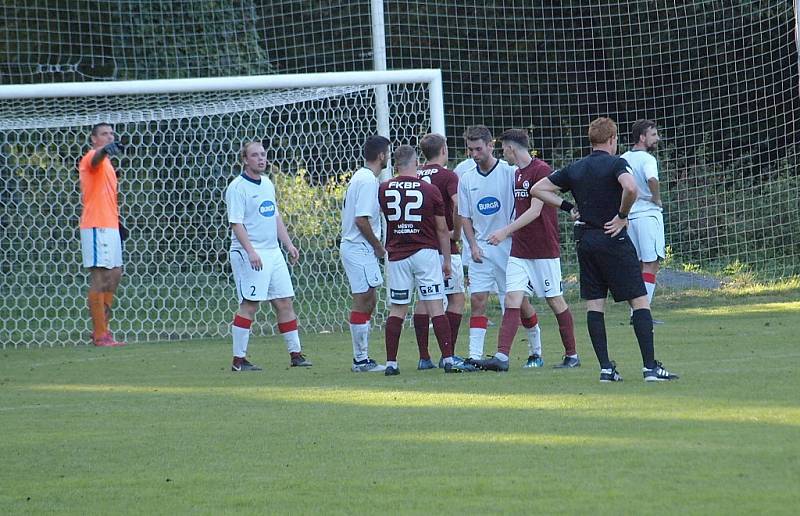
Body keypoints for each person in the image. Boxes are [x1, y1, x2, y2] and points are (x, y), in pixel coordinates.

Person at [530, 117, 678, 382]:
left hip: (586, 241)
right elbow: (630, 187)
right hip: (613, 238)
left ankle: (606, 369)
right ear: (612, 140)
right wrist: (622, 215)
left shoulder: (576, 167)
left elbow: (538, 188)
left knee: (595, 305)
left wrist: (568, 208)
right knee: (639, 300)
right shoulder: (616, 163)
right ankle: (650, 368)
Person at [475, 129, 580, 371]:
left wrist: (504, 232)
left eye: (504, 149)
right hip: (520, 249)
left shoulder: (540, 170)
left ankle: (572, 355)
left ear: (511, 148)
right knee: (513, 298)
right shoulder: (518, 174)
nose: (504, 154)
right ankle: (502, 357)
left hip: (543, 247)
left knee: (554, 299)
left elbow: (534, 211)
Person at [378, 145, 478, 375]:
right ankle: (449, 359)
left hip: (397, 255)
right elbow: (442, 229)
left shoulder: (383, 189)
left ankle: (392, 363)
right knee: (435, 307)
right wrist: (446, 259)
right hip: (425, 252)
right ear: (415, 163)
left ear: (396, 165)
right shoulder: (429, 189)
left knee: (398, 309)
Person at [225, 141, 312, 371]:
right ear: (245, 159)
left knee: (284, 302)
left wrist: (289, 244)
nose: (260, 159)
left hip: (273, 252)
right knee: (250, 305)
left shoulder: (267, 184)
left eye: (263, 155)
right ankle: (238, 360)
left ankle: (296, 355)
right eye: (255, 155)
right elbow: (236, 223)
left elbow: (274, 216)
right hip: (250, 253)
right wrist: (251, 251)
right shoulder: (237, 188)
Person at [457, 125, 541, 362]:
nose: (474, 154)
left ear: (490, 145)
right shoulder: (467, 179)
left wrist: (510, 232)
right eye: (470, 149)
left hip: (508, 246)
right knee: (477, 300)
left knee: (518, 302)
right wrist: (472, 245)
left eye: (478, 149)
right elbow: (464, 216)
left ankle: (535, 349)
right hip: (481, 248)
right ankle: (474, 356)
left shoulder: (509, 172)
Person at [413, 133, 466, 370]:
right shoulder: (448, 175)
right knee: (456, 298)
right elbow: (457, 203)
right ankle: (449, 353)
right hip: (445, 246)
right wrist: (455, 230)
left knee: (425, 300)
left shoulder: (414, 175)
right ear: (443, 149)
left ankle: (424, 357)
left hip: (419, 246)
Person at [340, 135, 390, 372]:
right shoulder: (368, 180)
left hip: (360, 249)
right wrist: (378, 247)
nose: (388, 157)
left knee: (370, 299)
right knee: (363, 300)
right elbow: (361, 220)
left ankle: (363, 357)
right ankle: (360, 360)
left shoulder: (361, 177)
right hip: (358, 247)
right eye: (387, 153)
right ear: (381, 155)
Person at [78, 123, 126, 347]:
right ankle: (99, 334)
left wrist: (118, 222)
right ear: (94, 139)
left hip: (110, 226)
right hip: (96, 225)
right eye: (104, 134)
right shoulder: (92, 157)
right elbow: (96, 158)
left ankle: (102, 328)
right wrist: (104, 151)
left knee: (115, 274)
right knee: (100, 277)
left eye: (111, 134)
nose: (109, 137)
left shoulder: (108, 164)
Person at [621, 120, 665, 321]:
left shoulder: (623, 158)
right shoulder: (648, 159)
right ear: (642, 137)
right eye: (654, 134)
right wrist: (656, 198)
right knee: (651, 263)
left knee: (638, 265)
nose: (657, 138)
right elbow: (652, 180)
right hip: (648, 215)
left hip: (629, 216)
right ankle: (642, 314)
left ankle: (635, 312)